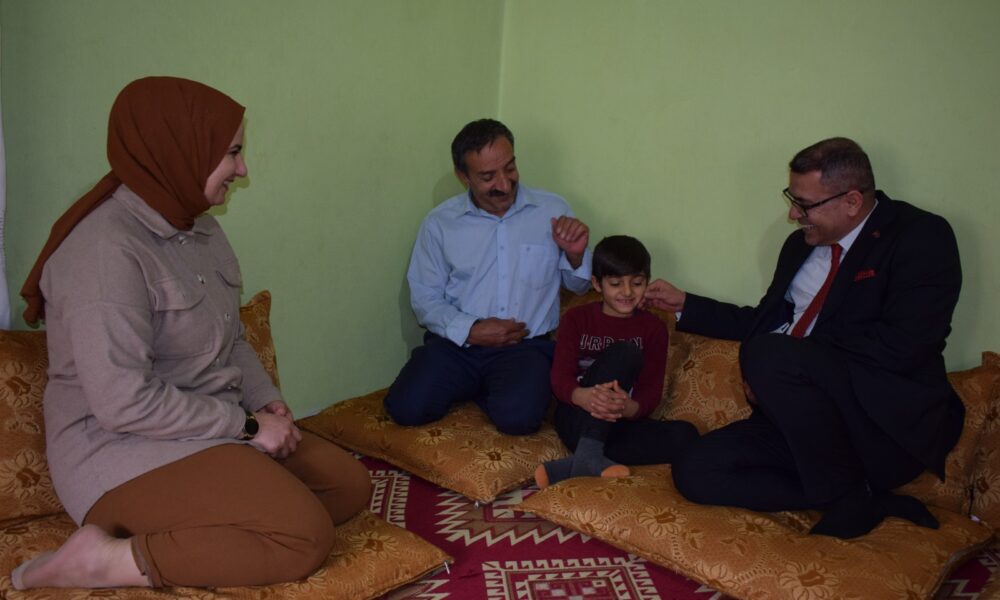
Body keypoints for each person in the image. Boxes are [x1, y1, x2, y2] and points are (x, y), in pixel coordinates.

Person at [14, 77, 372, 589]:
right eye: (233, 153)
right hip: (121, 451)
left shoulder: (199, 226)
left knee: (348, 487)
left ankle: (224, 516)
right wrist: (247, 427)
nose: (243, 170)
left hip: (210, 427)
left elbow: (232, 338)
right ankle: (103, 559)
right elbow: (123, 404)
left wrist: (265, 400)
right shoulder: (103, 252)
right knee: (303, 536)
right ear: (180, 150)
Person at [644, 137, 963, 539]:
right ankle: (856, 494)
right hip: (797, 423)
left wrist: (779, 364)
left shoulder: (920, 236)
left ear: (851, 201)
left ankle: (849, 492)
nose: (793, 214)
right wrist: (686, 305)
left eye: (804, 204)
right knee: (695, 469)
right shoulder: (800, 247)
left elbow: (908, 344)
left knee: (769, 355)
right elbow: (766, 322)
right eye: (791, 199)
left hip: (879, 423)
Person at [384, 119, 592, 435]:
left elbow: (579, 286)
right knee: (405, 408)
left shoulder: (552, 209)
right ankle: (482, 386)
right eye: (487, 176)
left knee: (519, 419)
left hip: (525, 348)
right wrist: (472, 330)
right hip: (457, 347)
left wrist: (576, 255)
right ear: (463, 176)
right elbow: (425, 298)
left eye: (510, 169)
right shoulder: (440, 223)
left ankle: (493, 389)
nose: (504, 184)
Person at [535, 235, 698, 488]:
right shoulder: (576, 318)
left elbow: (650, 392)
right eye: (615, 283)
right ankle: (591, 454)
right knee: (625, 353)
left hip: (618, 422)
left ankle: (585, 460)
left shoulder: (653, 328)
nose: (627, 292)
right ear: (597, 284)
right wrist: (585, 397)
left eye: (637, 283)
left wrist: (626, 408)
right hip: (578, 417)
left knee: (686, 435)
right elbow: (560, 379)